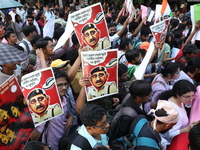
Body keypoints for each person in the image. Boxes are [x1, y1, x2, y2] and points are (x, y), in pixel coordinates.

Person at [31, 69, 76, 150]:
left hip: (66, 141)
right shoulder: (46, 107)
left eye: (66, 84)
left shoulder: (65, 98)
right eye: (60, 85)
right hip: (54, 145)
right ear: (52, 86)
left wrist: (70, 117)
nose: (64, 87)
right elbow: (35, 137)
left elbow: (62, 114)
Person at [158, 80, 199, 148]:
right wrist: (187, 129)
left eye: (192, 96)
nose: (191, 99)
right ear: (178, 95)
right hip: (171, 142)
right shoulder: (173, 112)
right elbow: (171, 134)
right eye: (187, 97)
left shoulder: (179, 100)